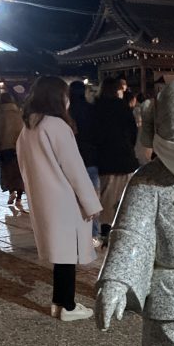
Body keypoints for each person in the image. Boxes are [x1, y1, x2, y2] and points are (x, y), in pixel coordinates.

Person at [17, 75, 102, 322]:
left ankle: (60, 302)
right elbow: (74, 168)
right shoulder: (56, 126)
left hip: (43, 198)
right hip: (64, 198)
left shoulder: (28, 127)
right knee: (67, 254)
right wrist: (91, 203)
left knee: (61, 254)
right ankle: (67, 305)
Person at [94, 77, 138, 239]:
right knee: (122, 196)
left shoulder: (96, 108)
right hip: (124, 157)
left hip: (104, 158)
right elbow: (133, 131)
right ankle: (121, 227)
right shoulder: (123, 107)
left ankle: (105, 228)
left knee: (105, 195)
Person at [69, 80, 102, 240]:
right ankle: (94, 233)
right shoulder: (93, 110)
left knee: (74, 197)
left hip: (72, 159)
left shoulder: (66, 113)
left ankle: (78, 231)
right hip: (91, 158)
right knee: (92, 195)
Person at [0, 93, 25, 205]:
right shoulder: (18, 113)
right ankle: (19, 198)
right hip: (17, 147)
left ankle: (11, 192)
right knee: (19, 172)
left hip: (3, 147)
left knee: (7, 171)